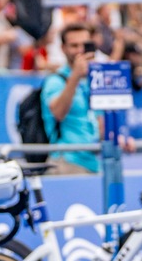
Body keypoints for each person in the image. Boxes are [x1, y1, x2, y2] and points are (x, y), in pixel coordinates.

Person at [41, 23, 105, 174]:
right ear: (63, 48)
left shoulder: (93, 80)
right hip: (66, 162)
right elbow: (58, 112)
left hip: (94, 162)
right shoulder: (55, 80)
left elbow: (101, 123)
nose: (80, 50)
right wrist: (75, 76)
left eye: (85, 45)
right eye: (74, 45)